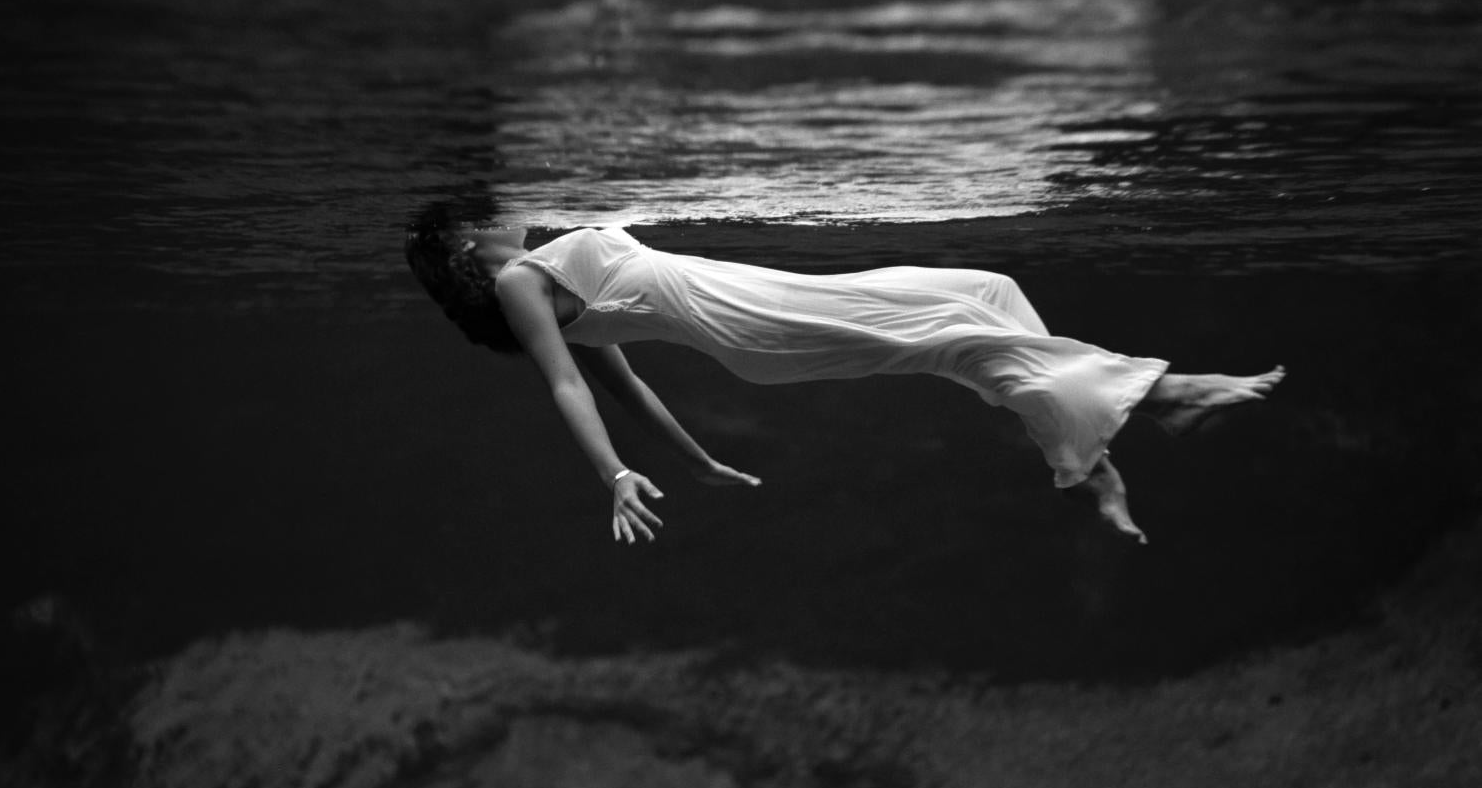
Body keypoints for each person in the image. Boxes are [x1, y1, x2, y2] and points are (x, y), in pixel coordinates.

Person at [405, 203, 1284, 546]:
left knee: (983, 291)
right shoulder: (523, 281)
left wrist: (697, 460)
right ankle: (1163, 398)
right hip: (755, 324)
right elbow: (572, 384)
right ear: (465, 247)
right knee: (957, 333)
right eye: (484, 214)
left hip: (762, 304)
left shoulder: (542, 269)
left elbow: (630, 386)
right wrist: (616, 473)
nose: (506, 207)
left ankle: (1082, 455)